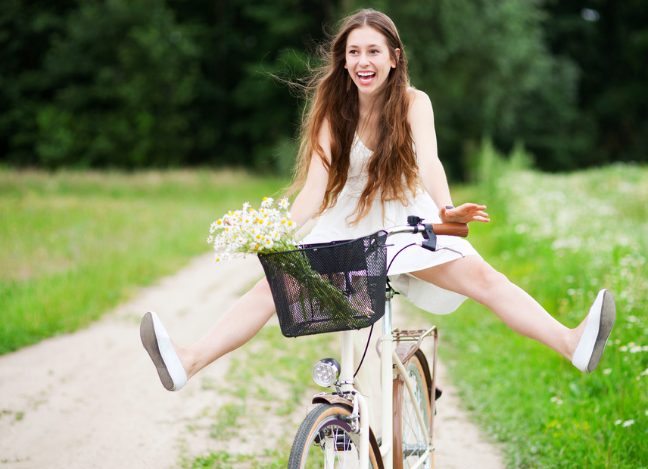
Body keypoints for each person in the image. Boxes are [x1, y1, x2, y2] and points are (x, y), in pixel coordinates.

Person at [140, 8, 615, 392]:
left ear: (393, 57)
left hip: (407, 224)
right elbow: (315, 187)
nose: (362, 60)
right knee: (271, 286)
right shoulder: (332, 109)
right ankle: (188, 361)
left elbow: (429, 162)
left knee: (486, 279)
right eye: (353, 52)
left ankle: (571, 342)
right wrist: (274, 231)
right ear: (343, 61)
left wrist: (446, 209)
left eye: (372, 50)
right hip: (346, 227)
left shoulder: (413, 103)